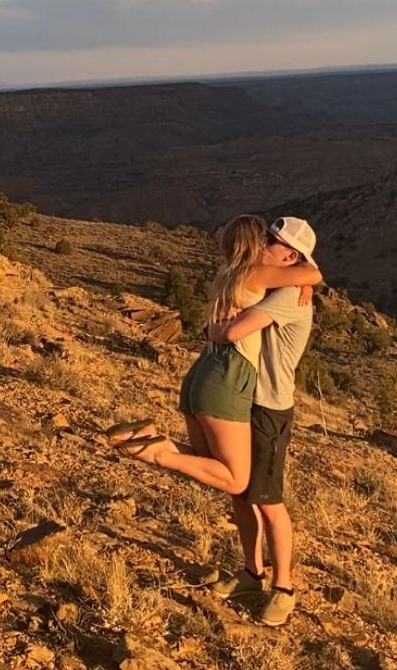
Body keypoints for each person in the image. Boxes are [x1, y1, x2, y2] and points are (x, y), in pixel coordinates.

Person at [107, 215, 321, 505]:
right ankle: (159, 453)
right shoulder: (258, 273)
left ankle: (152, 438)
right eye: (265, 239)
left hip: (201, 372)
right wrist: (306, 282)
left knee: (207, 462)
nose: (266, 244)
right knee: (235, 479)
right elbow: (312, 274)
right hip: (228, 375)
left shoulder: (227, 271)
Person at [206, 215, 320, 628]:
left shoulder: (288, 295)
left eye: (270, 241)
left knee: (269, 502)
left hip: (269, 407)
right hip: (246, 399)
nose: (262, 243)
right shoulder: (279, 282)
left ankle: (284, 588)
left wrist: (217, 330)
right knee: (240, 492)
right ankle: (252, 574)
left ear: (288, 255)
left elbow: (235, 331)